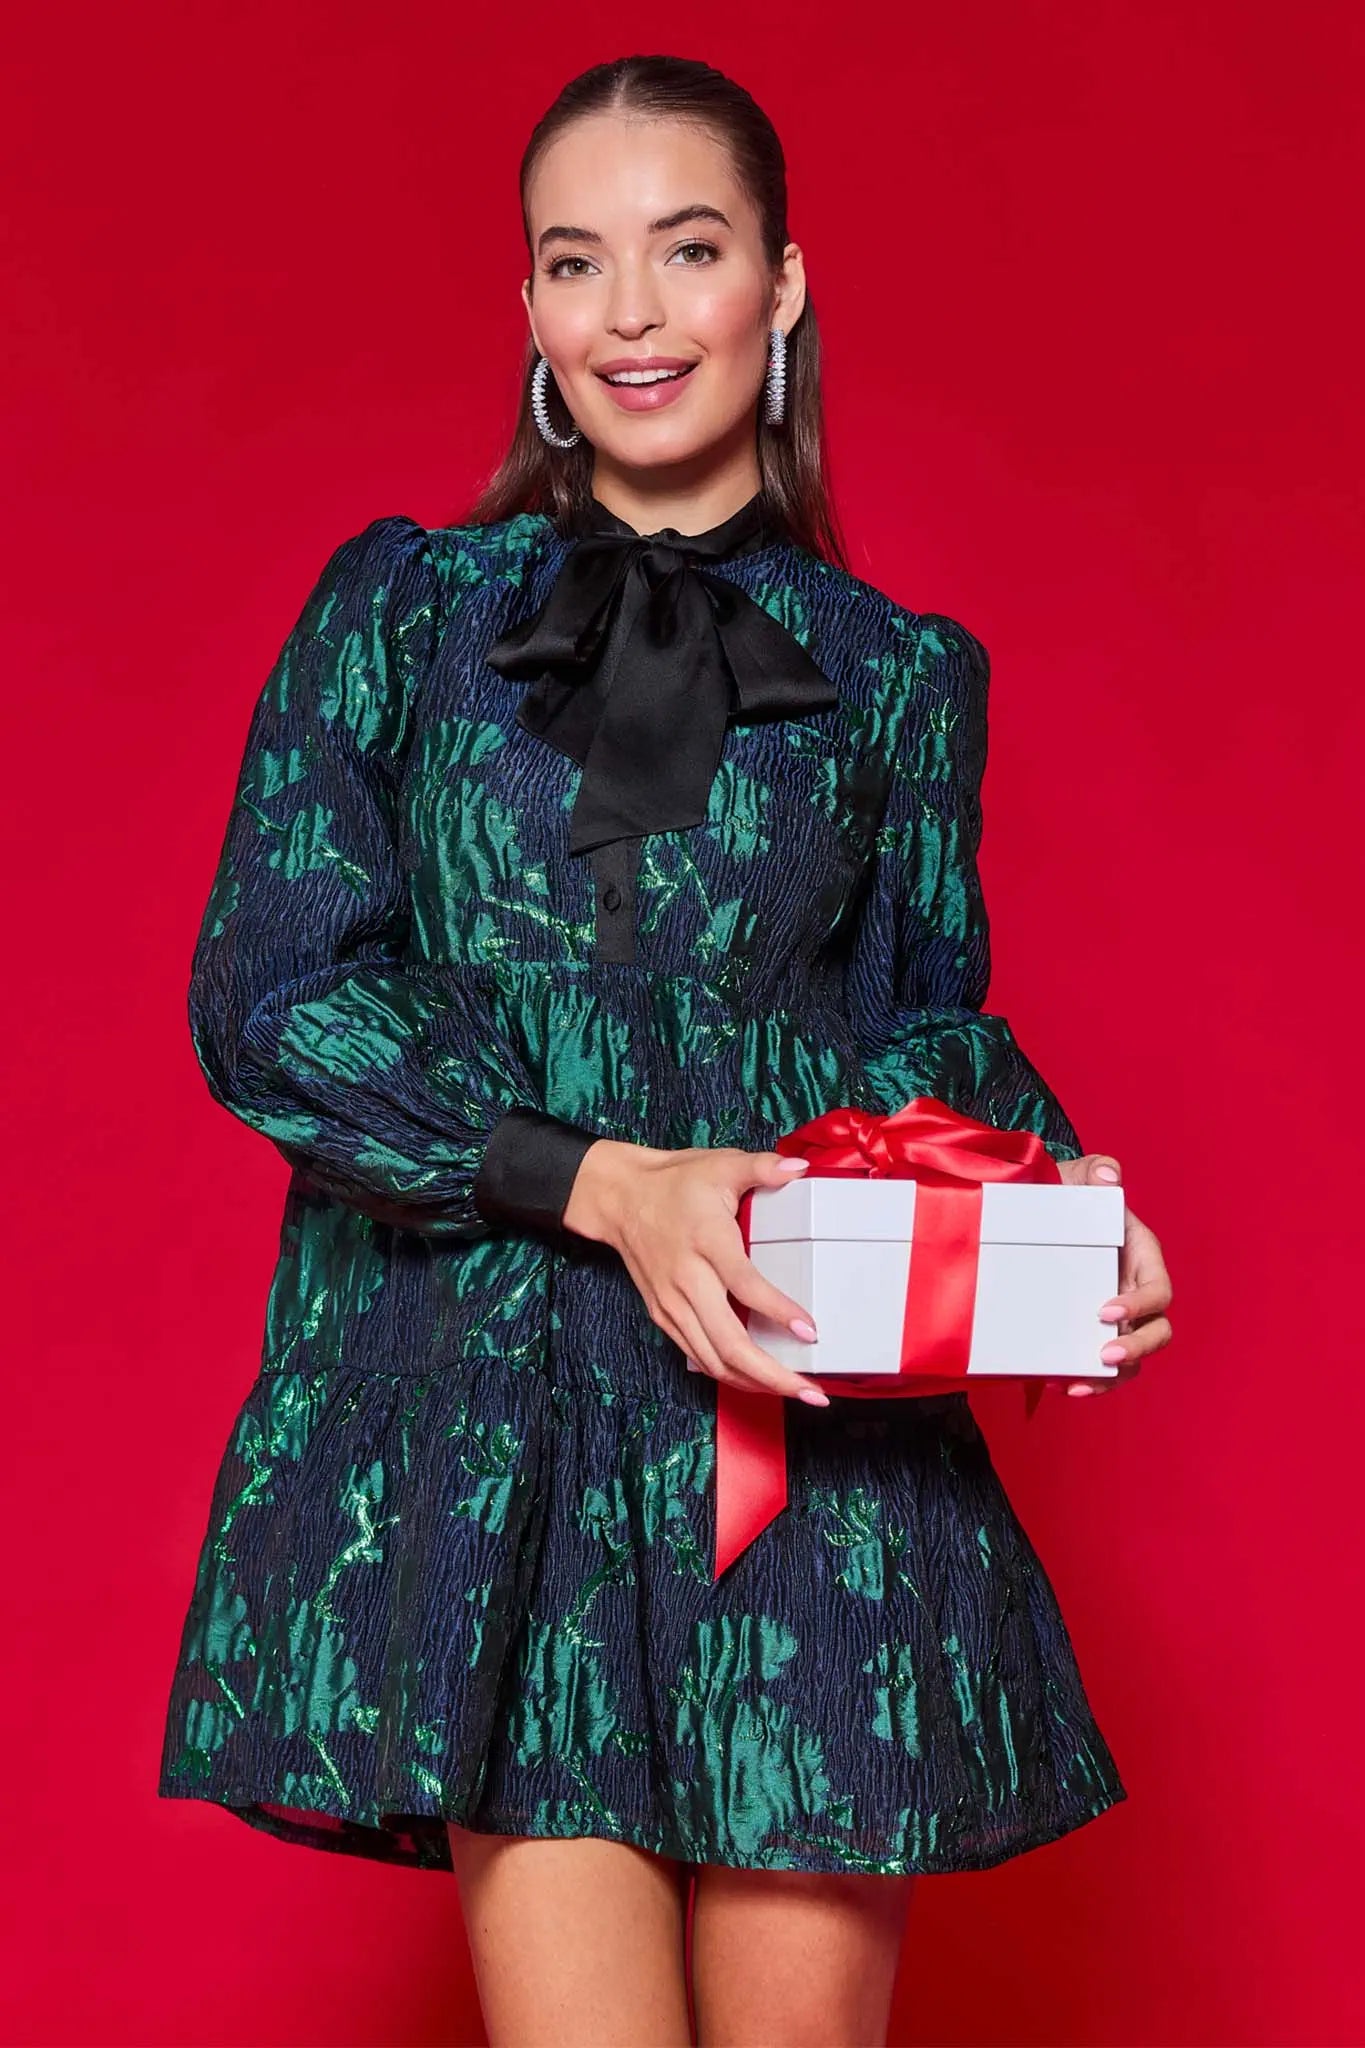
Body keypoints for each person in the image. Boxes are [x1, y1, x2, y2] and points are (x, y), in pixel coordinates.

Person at [158, 52, 1173, 2048]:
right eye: (573, 261)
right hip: (492, 1423)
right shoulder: (401, 614)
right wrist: (602, 1183)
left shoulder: (895, 675)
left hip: (794, 1434)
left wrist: (1059, 1219)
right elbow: (268, 992)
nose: (628, 311)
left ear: (779, 286)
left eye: (683, 249)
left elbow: (921, 1024)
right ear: (528, 309)